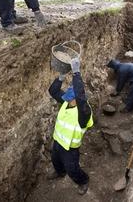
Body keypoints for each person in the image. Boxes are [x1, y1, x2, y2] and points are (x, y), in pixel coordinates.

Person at [47, 57, 93, 195]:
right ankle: (59, 172)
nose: (65, 98)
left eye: (69, 97)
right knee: (55, 160)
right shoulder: (67, 102)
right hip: (58, 141)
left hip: (70, 148)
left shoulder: (83, 112)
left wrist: (76, 73)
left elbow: (80, 95)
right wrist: (60, 77)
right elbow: (53, 91)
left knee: (72, 168)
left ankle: (83, 181)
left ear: (76, 99)